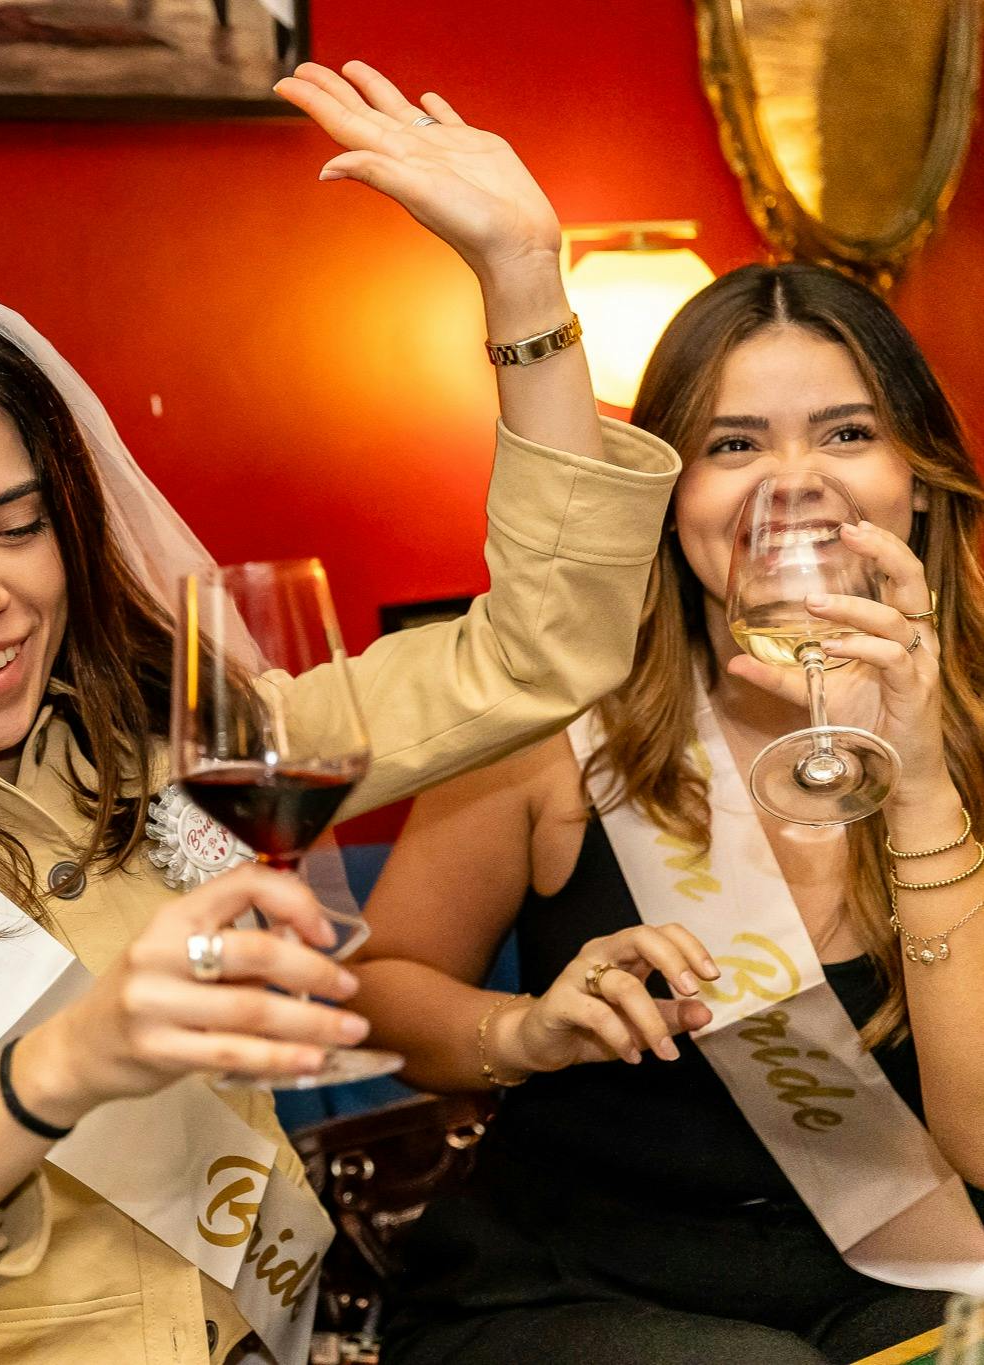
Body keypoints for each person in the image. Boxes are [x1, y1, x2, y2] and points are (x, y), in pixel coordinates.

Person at [0, 59, 682, 1364]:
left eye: (16, 526)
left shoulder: (180, 754)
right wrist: (55, 1067)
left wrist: (521, 283)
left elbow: (543, 649)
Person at [350, 261, 984, 1364]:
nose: (793, 485)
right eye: (732, 445)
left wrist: (923, 779)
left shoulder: (970, 729)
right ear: (667, 490)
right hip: (567, 1283)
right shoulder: (555, 715)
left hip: (906, 1264)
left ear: (917, 478)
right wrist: (523, 1032)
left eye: (846, 433)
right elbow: (378, 992)